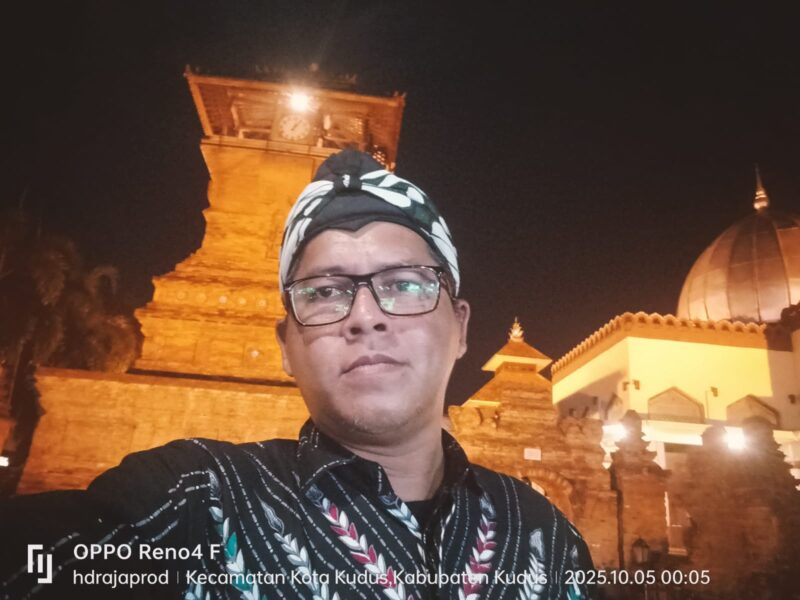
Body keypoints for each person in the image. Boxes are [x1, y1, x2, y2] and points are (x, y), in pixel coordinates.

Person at [0, 149, 594, 599]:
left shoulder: (547, 538)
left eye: (403, 284)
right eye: (326, 292)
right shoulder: (194, 500)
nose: (365, 316)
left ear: (460, 328)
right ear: (286, 345)